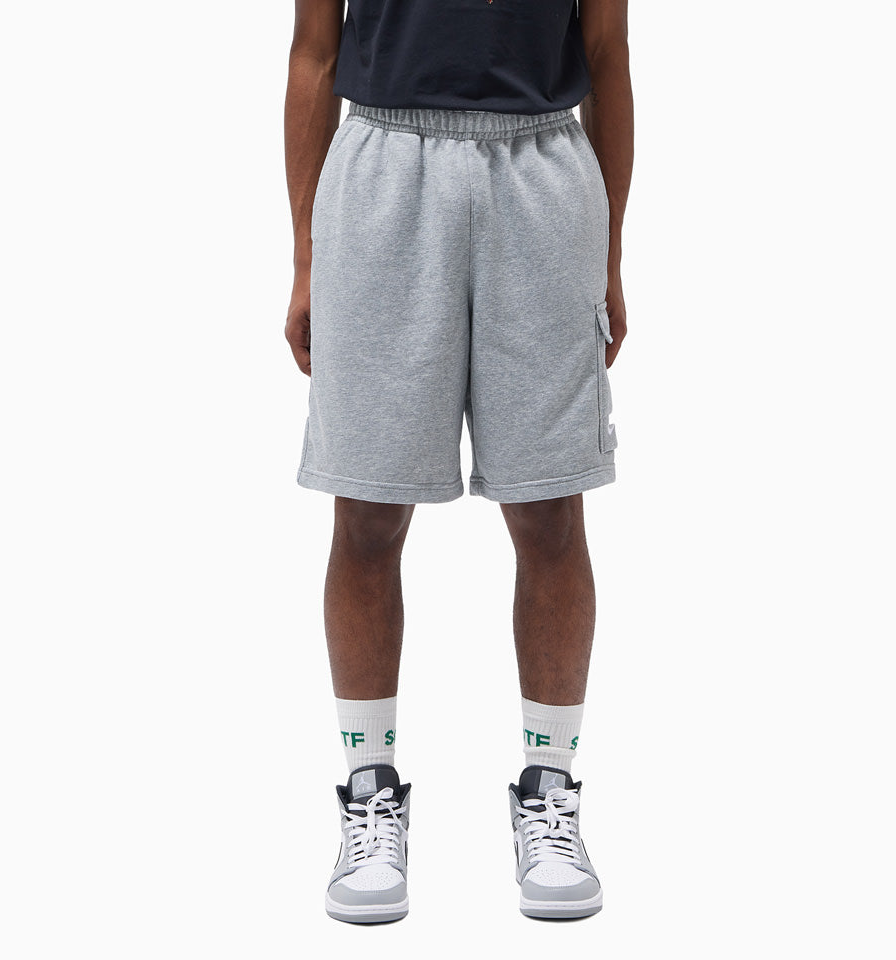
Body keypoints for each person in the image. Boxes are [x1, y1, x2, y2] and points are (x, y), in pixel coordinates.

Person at [284, 0, 634, 923]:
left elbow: (607, 55)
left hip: (542, 167)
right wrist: (304, 257)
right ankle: (369, 791)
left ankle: (549, 793)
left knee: (550, 507)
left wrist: (610, 253)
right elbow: (314, 52)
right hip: (382, 163)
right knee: (366, 509)